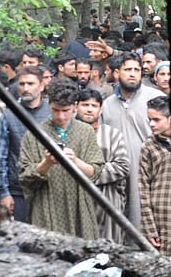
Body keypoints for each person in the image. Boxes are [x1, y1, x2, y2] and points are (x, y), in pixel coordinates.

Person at [17, 79, 105, 238]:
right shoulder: (34, 134)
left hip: (79, 206)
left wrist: (76, 161)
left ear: (75, 106)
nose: (61, 116)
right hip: (46, 204)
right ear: (48, 104)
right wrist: (46, 164)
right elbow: (24, 178)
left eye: (66, 110)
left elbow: (96, 170)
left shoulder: (85, 131)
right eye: (55, 110)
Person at [99, 54, 165, 229]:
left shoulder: (155, 98)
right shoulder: (106, 105)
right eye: (128, 70)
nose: (133, 74)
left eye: (137, 70)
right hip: (116, 173)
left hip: (151, 171)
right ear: (116, 73)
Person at [0, 65, 51, 222]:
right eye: (22, 84)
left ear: (42, 85)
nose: (26, 88)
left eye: (30, 84)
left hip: (48, 189)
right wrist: (3, 193)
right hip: (18, 191)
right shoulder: (9, 114)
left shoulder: (52, 113)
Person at [74, 87, 131, 243]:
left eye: (94, 106)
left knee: (108, 251)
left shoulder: (112, 134)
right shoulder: (67, 134)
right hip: (75, 199)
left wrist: (92, 172)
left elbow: (123, 166)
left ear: (100, 110)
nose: (89, 110)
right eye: (85, 105)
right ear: (76, 106)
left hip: (107, 198)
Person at [139, 95, 171, 254]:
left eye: (157, 119)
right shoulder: (149, 145)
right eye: (149, 119)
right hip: (161, 217)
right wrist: (150, 228)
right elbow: (143, 187)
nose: (151, 124)